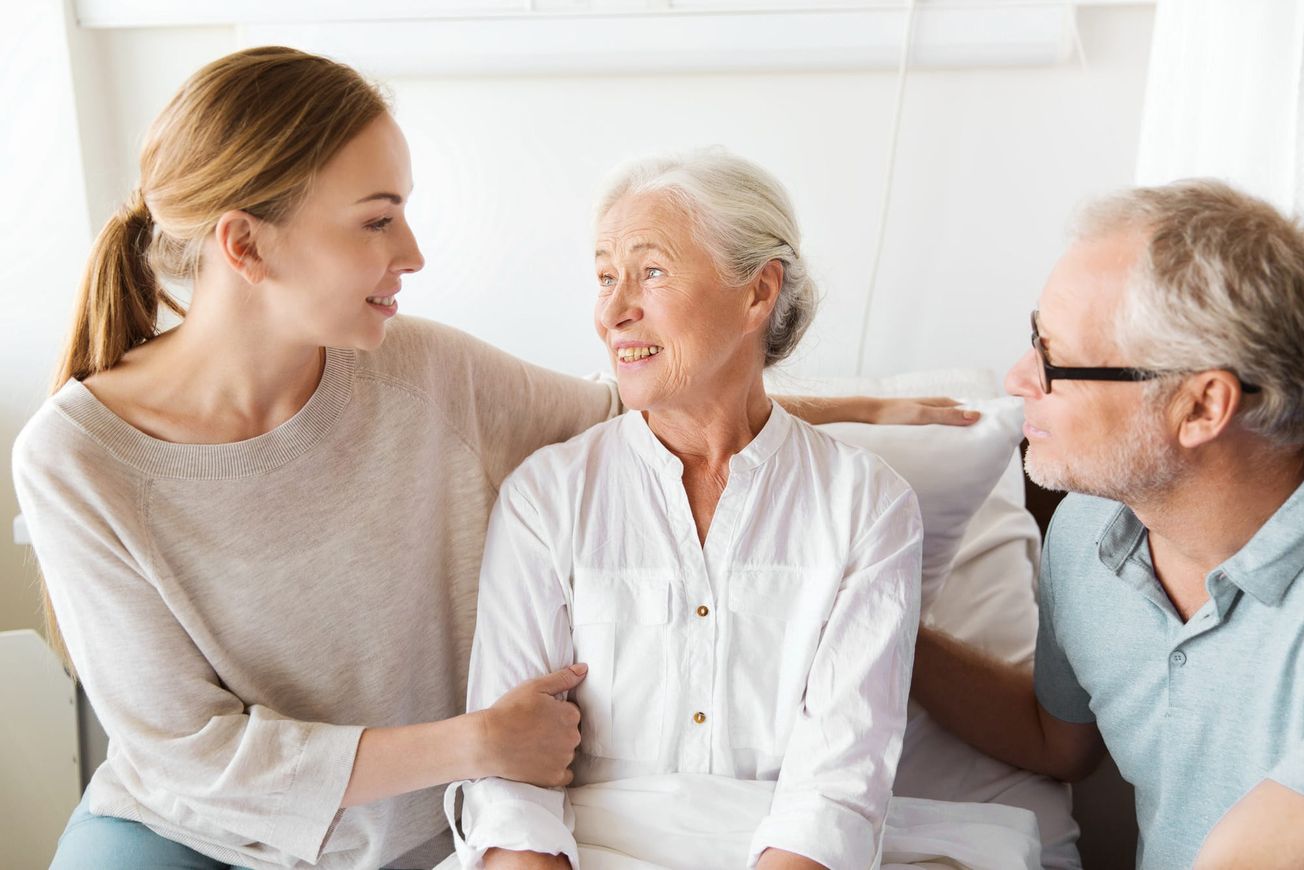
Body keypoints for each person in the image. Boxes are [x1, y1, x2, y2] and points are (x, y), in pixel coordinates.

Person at [12, 48, 967, 869]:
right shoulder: (75, 459)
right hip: (188, 834)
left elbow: (648, 402)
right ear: (245, 246)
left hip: (413, 835)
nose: (415, 251)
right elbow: (190, 759)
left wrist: (864, 406)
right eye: (377, 218)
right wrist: (478, 742)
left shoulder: (422, 372)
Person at [453, 150, 924, 870]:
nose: (613, 312)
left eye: (651, 272)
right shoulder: (545, 497)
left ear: (758, 292)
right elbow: (509, 784)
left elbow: (837, 789)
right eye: (606, 277)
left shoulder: (867, 505)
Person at [910, 180, 1304, 870]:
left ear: (1201, 406)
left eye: (1054, 360)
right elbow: (1056, 740)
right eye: (1035, 339)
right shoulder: (1091, 532)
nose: (1016, 378)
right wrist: (875, 619)